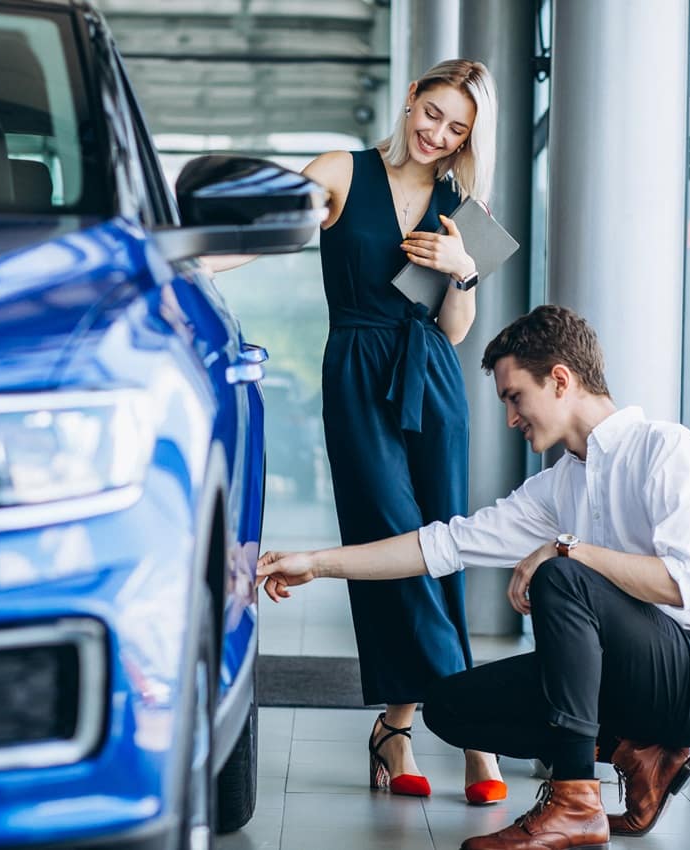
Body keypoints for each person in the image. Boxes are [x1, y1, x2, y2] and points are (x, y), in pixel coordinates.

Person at [257, 305, 690, 850]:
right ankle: (640, 752)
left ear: (560, 380)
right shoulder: (560, 484)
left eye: (515, 397)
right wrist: (318, 563)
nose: (511, 418)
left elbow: (681, 584)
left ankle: (574, 800)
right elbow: (443, 544)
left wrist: (567, 550)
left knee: (562, 576)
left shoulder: (667, 450)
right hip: (625, 679)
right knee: (450, 707)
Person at [207, 58, 504, 803]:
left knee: (440, 544)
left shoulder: (462, 203)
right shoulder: (343, 168)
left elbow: (455, 329)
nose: (438, 134)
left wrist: (464, 270)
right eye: (432, 113)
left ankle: (395, 727)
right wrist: (195, 263)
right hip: (358, 371)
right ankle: (477, 733)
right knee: (390, 531)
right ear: (410, 99)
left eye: (458, 128)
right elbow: (269, 231)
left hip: (432, 377)